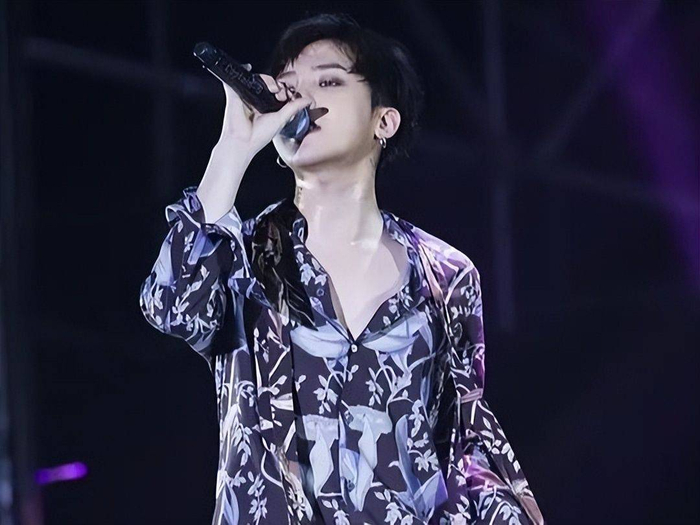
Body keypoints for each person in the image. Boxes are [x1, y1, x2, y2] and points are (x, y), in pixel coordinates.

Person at [139, 12, 544, 525]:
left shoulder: (445, 275)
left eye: (328, 81)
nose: (299, 99)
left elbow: (465, 441)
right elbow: (171, 305)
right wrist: (233, 149)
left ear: (384, 121)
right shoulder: (241, 256)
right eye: (288, 86)